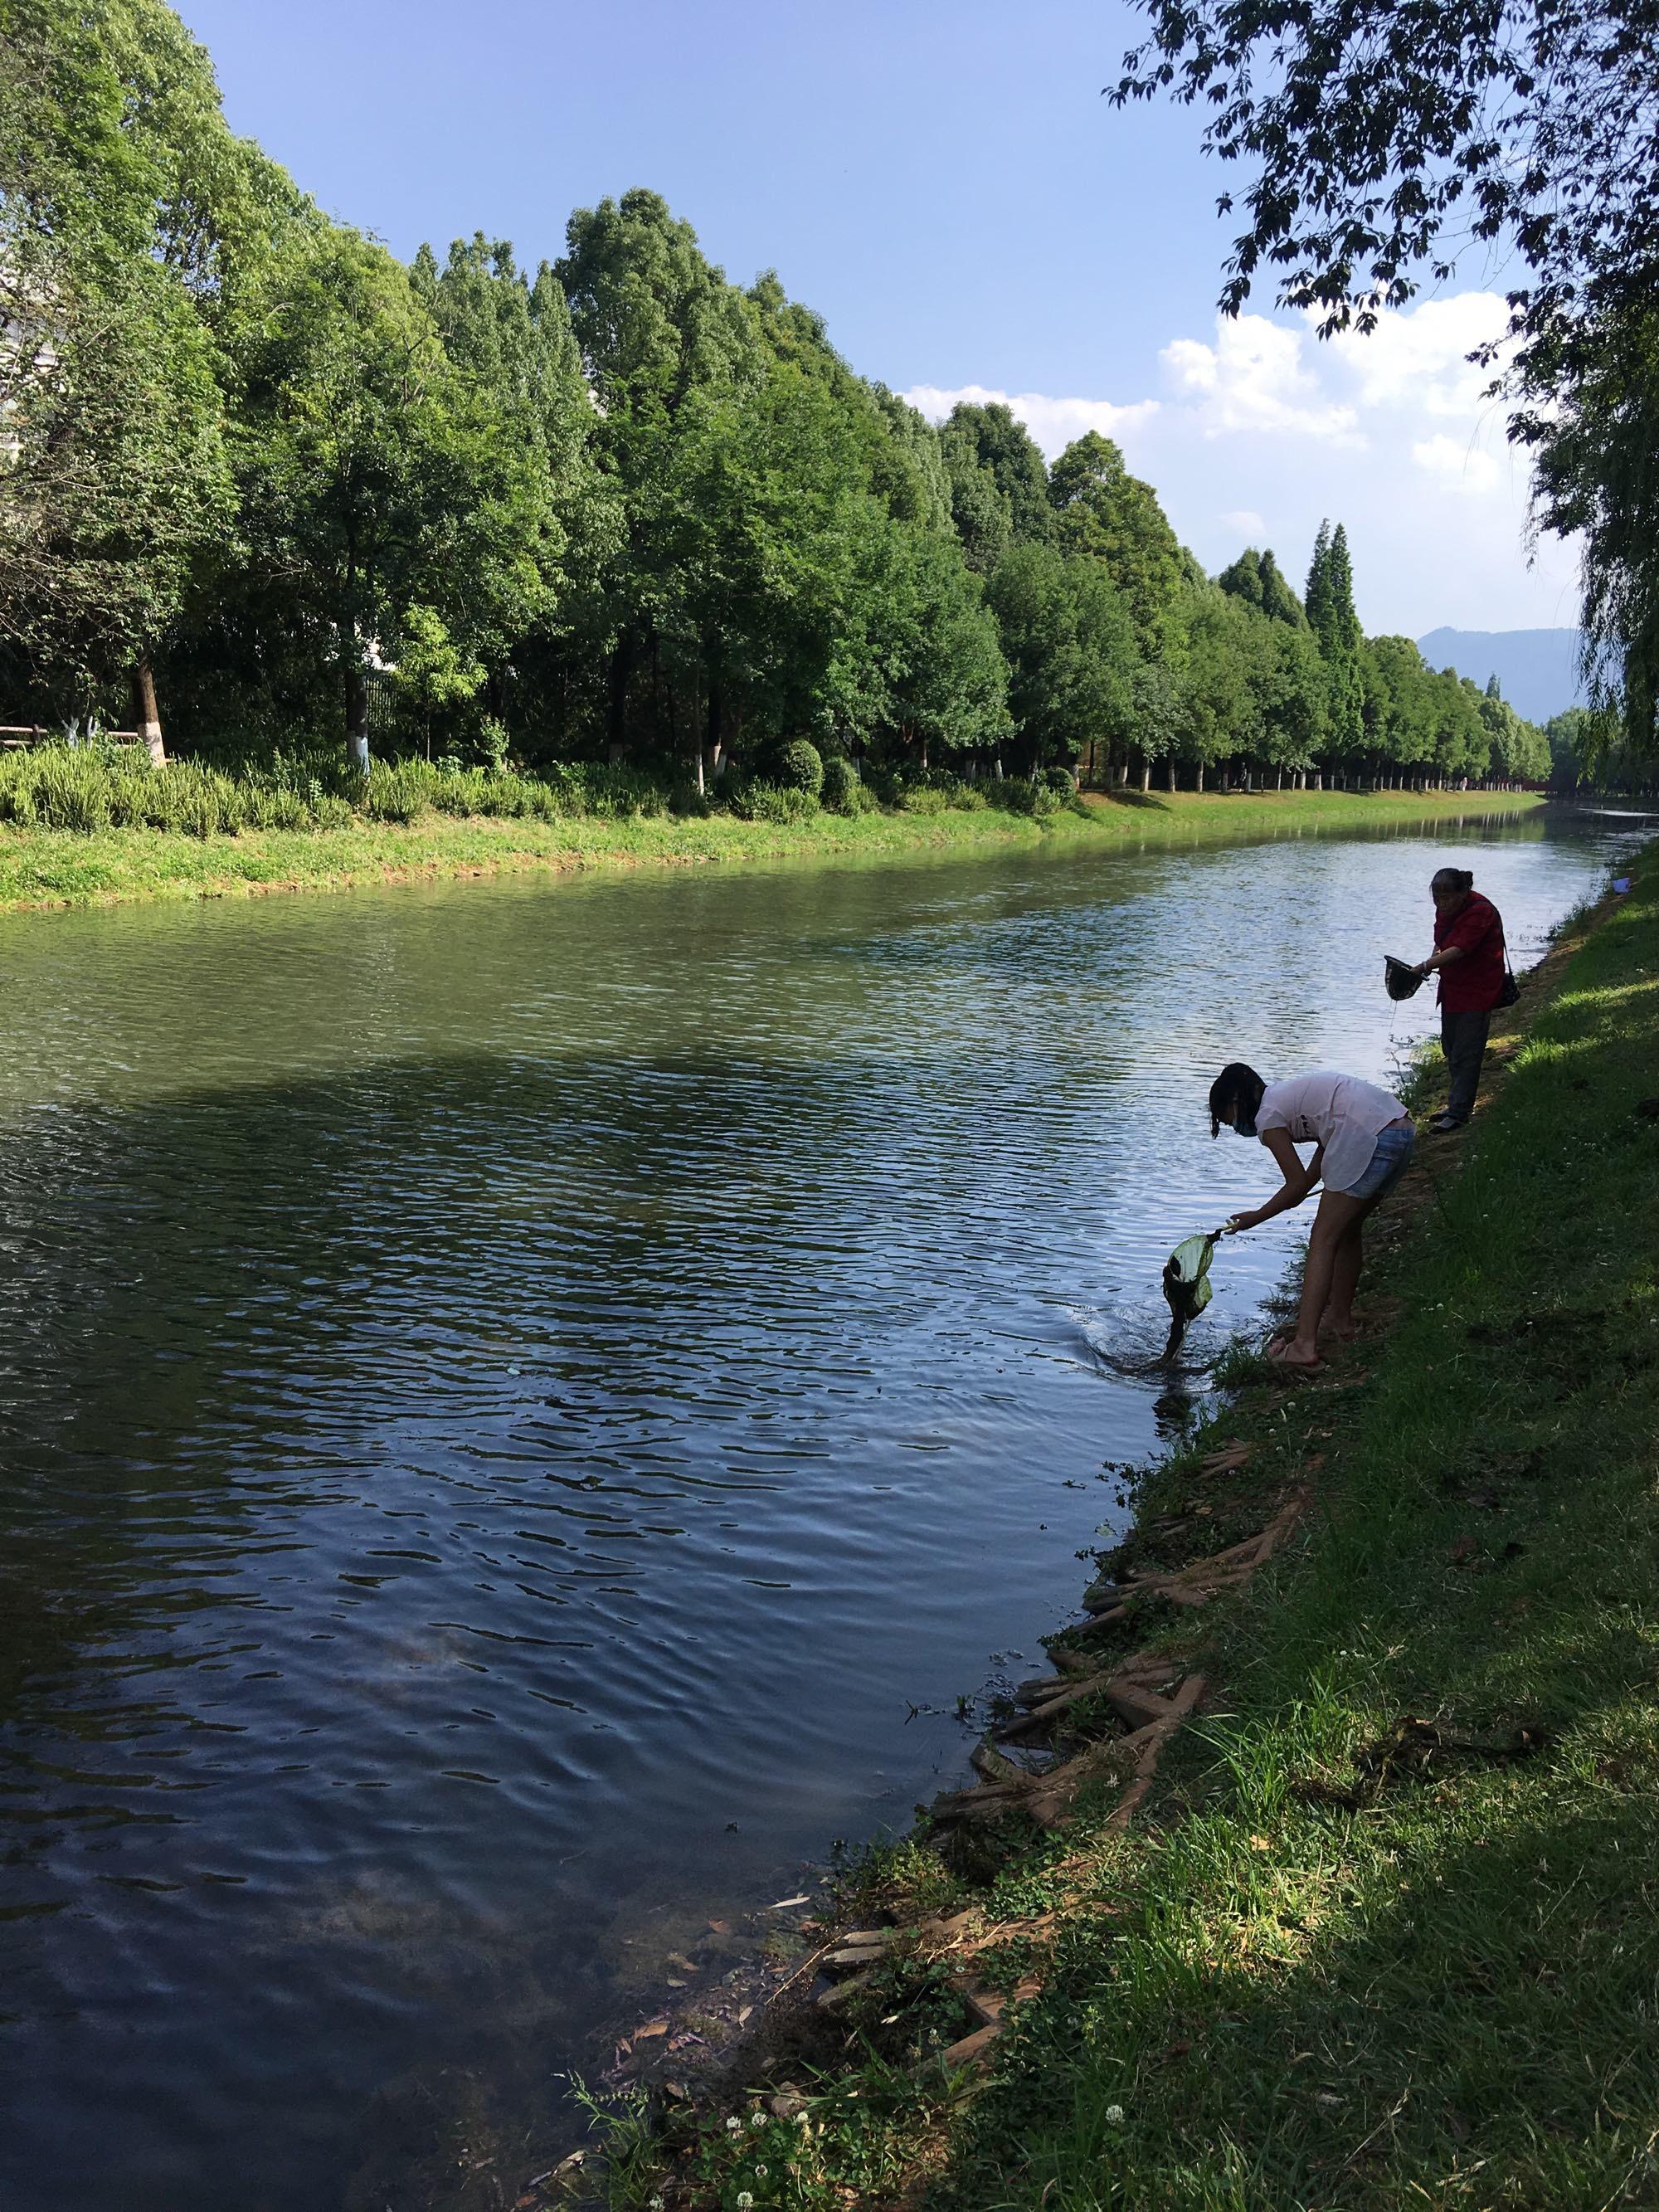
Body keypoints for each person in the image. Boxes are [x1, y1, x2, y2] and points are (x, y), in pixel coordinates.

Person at [1209, 1062, 1415, 1370]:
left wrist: (1258, 1216)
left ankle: (1304, 1346)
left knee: (1322, 1240)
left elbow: (1294, 1189)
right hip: (1399, 1131)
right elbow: (1315, 1160)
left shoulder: (1267, 1117)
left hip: (1368, 1135)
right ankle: (1340, 1321)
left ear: (1235, 1103)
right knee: (1347, 1231)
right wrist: (1301, 1187)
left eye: (1228, 1122)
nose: (1235, 1130)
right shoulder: (1285, 1097)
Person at [1413, 866, 1507, 1133]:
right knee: (1451, 1048)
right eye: (1437, 898)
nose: (1442, 903)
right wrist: (1433, 959)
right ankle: (1456, 1103)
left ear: (1463, 893)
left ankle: (1460, 1112)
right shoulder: (1446, 910)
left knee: (1467, 1051)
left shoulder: (1480, 911)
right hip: (1453, 989)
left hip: (1477, 990)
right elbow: (1443, 942)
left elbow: (1458, 950)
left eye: (1447, 898)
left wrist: (1424, 966)